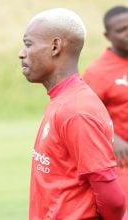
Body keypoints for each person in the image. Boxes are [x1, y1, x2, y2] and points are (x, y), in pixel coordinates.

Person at [18, 8, 126, 219]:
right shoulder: (62, 99)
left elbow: (113, 201)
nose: (21, 53)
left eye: (28, 44)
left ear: (55, 47)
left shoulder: (77, 109)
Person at [83, 5, 128, 215]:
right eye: (122, 30)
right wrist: (113, 138)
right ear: (107, 35)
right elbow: (85, 116)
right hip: (121, 161)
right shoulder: (97, 71)